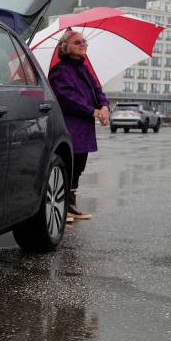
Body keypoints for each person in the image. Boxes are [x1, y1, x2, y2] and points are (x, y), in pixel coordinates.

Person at [47, 29, 110, 222]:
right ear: (65, 47)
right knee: (68, 164)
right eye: (77, 42)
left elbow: (97, 89)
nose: (83, 44)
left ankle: (71, 205)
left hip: (84, 127)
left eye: (84, 42)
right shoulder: (59, 72)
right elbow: (67, 98)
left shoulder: (84, 69)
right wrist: (92, 111)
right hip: (69, 125)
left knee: (79, 165)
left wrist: (105, 106)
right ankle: (63, 205)